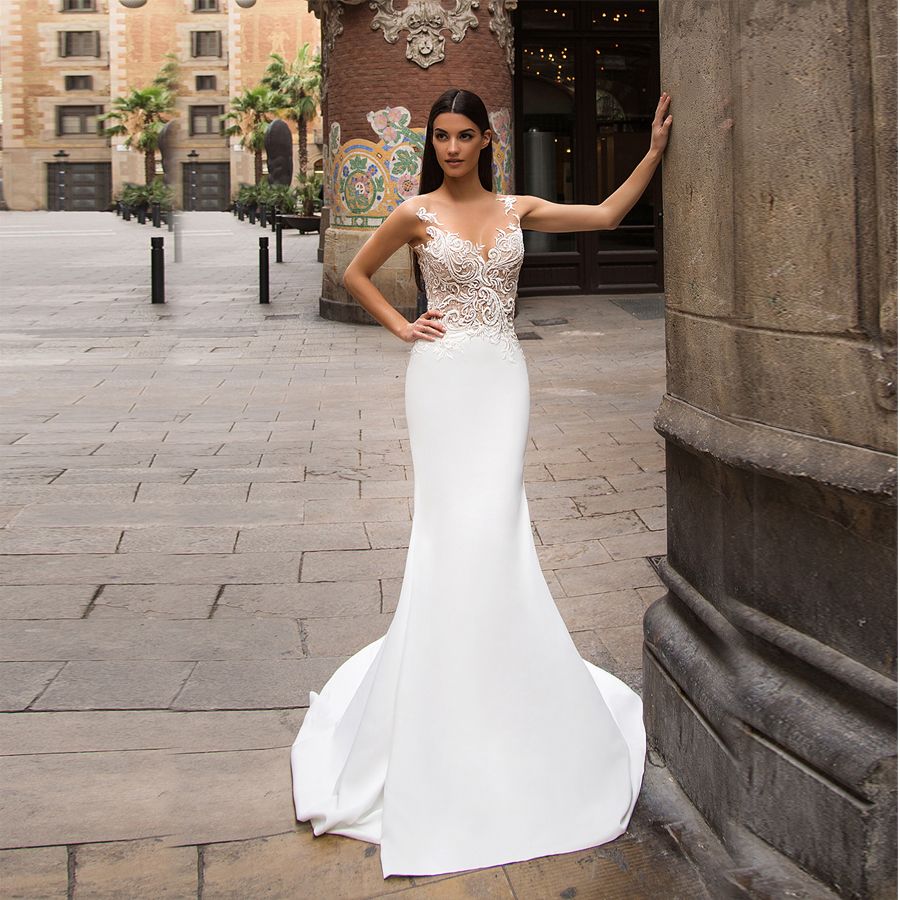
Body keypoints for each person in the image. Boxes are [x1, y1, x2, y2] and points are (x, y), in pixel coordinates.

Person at [290, 86, 673, 880]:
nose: (453, 147)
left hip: (501, 377)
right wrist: (403, 326)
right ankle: (441, 697)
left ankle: (505, 684)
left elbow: (603, 217)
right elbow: (362, 274)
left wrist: (653, 153)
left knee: (495, 527)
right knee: (448, 531)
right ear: (431, 142)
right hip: (440, 378)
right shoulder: (414, 212)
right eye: (442, 136)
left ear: (486, 139)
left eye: (465, 135)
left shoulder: (517, 207)